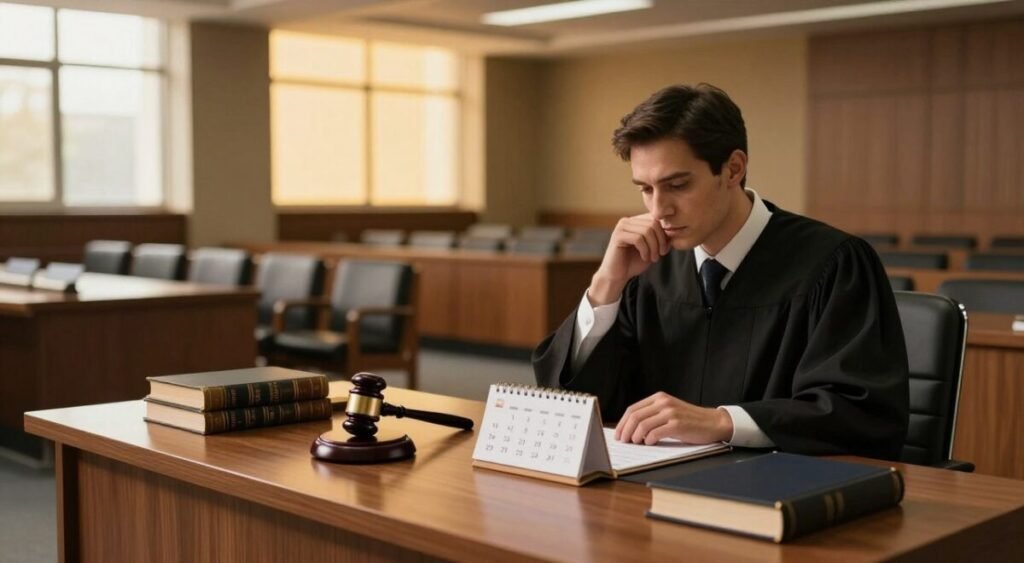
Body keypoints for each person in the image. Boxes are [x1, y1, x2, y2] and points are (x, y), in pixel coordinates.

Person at [533, 83, 909, 460]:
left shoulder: (834, 264)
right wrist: (607, 285)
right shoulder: (647, 270)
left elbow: (860, 412)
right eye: (645, 189)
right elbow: (575, 403)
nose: (659, 208)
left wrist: (723, 422)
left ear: (733, 169)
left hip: (779, 494)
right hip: (651, 491)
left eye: (677, 185)